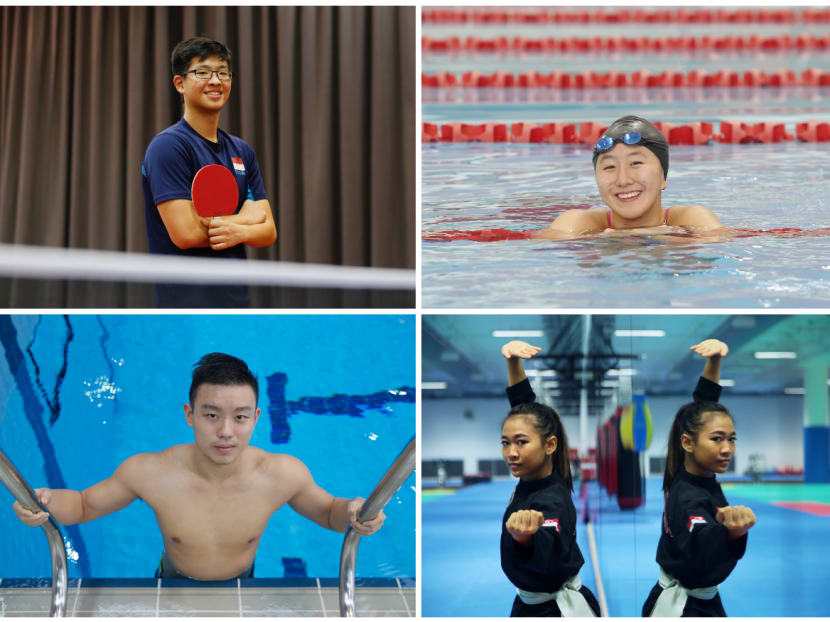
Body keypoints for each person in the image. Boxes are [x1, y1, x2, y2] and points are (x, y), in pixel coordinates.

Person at [12, 353, 384, 581]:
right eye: (211, 415)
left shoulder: (282, 474)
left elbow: (330, 514)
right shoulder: (150, 472)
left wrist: (354, 510)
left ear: (255, 418)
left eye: (239, 417)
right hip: (172, 580)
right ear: (189, 415)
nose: (225, 432)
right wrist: (43, 502)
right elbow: (82, 505)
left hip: (243, 581)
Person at [141, 37, 277, 308]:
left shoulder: (242, 151)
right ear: (180, 84)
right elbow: (186, 234)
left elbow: (269, 231)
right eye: (202, 72)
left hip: (236, 298)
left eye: (223, 72)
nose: (215, 81)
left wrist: (237, 230)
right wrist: (246, 219)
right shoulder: (168, 146)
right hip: (185, 302)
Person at [642, 339, 755, 616]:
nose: (727, 448)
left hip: (699, 600)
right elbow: (704, 549)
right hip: (685, 608)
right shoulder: (688, 495)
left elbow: (703, 408)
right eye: (717, 439)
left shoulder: (689, 470)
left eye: (731, 439)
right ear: (688, 443)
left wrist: (715, 360)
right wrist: (733, 532)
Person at [499, 340, 600, 617]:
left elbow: (548, 549)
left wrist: (526, 539)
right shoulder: (536, 475)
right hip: (529, 603)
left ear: (550, 445)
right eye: (506, 443)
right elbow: (525, 411)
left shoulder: (549, 500)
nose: (511, 452)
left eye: (520, 443)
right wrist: (513, 362)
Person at [533, 115, 723, 240]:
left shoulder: (692, 218)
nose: (623, 180)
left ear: (663, 178)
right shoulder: (578, 222)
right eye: (609, 167)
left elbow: (719, 243)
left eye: (636, 163)